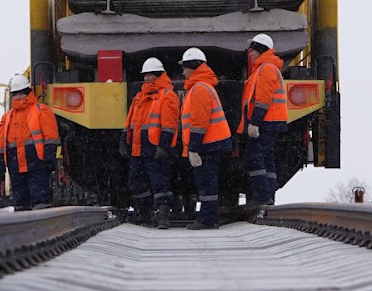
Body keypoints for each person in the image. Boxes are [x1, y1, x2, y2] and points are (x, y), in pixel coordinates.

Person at [121, 57, 180, 228]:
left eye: (150, 75)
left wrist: (163, 146)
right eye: (145, 75)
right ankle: (145, 213)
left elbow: (169, 125)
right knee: (135, 182)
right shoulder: (139, 97)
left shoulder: (167, 96)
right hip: (138, 148)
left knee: (160, 182)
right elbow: (130, 123)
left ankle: (163, 216)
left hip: (154, 147)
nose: (146, 78)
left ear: (159, 75)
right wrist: (123, 142)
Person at [179, 47, 231, 229]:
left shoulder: (199, 89)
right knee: (207, 181)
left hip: (208, 144)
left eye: (185, 67)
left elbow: (199, 123)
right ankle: (209, 217)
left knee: (206, 182)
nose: (183, 71)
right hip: (211, 143)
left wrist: (193, 148)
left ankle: (208, 220)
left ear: (193, 67)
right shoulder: (201, 86)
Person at [0, 74, 59, 211]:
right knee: (21, 202)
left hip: (36, 161)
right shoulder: (7, 117)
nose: (18, 97)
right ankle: (24, 227)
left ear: (27, 92)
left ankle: (42, 226)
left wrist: (49, 157)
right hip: (16, 164)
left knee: (40, 200)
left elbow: (50, 135)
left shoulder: (41, 110)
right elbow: (1, 144)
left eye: (21, 94)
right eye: (15, 94)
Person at [237, 32, 287, 207]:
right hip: (271, 121)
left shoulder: (266, 69)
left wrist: (254, 122)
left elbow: (263, 99)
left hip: (265, 121)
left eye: (252, 50)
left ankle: (262, 196)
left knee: (254, 157)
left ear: (260, 50)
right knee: (266, 158)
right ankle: (268, 195)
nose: (250, 53)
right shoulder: (266, 68)